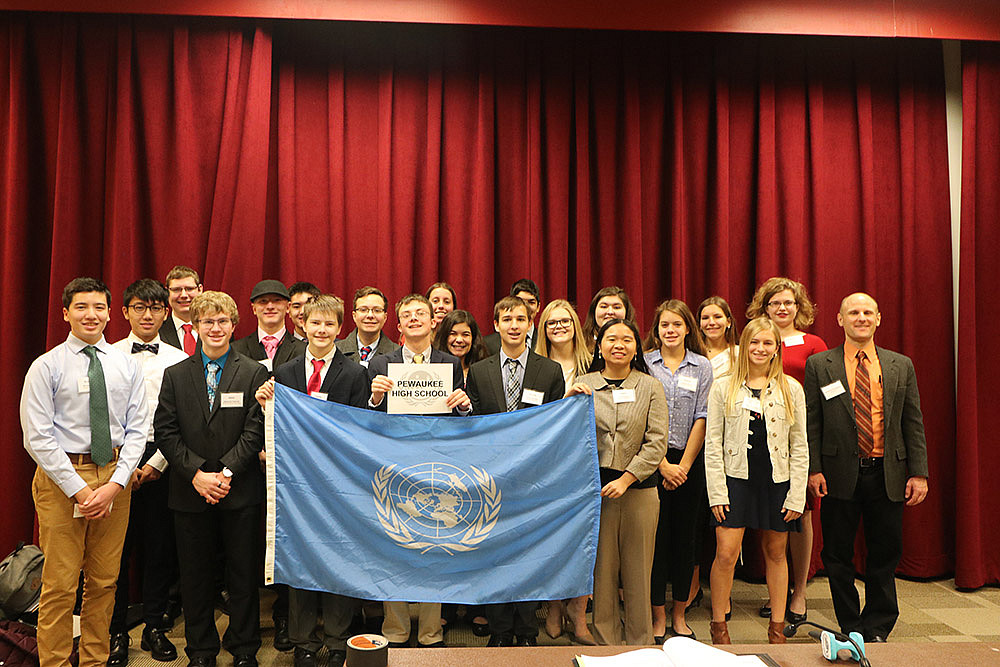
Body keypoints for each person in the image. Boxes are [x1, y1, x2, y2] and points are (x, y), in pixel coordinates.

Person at [20, 277, 147, 667]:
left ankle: (95, 660)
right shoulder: (47, 366)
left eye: (98, 307)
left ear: (110, 313)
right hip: (61, 480)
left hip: (114, 478)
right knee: (59, 586)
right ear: (65, 313)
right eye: (81, 307)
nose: (90, 315)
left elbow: (139, 430)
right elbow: (37, 437)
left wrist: (114, 485)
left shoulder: (127, 365)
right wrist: (79, 489)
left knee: (105, 582)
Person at [154, 291, 271, 667]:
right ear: (197, 327)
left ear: (234, 325)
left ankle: (244, 647)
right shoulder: (175, 375)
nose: (216, 328)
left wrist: (224, 473)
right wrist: (197, 475)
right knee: (195, 577)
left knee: (241, 575)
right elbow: (166, 432)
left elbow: (256, 431)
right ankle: (201, 649)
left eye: (223, 321)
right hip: (190, 492)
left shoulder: (254, 371)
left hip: (239, 490)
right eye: (208, 321)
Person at [804, 293, 929, 643]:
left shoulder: (899, 365)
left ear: (878, 319)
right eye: (853, 312)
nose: (861, 317)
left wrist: (918, 472)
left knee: (884, 554)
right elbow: (812, 421)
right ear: (840, 319)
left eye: (867, 312)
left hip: (888, 473)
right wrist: (814, 470)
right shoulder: (820, 365)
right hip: (838, 474)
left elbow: (912, 421)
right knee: (837, 555)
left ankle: (877, 625)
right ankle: (850, 624)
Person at [255, 295, 369, 667]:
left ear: (340, 328)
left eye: (329, 325)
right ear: (302, 326)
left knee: (339, 554)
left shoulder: (354, 374)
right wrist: (264, 402)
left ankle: (337, 640)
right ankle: (304, 639)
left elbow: (360, 430)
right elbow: (273, 424)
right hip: (298, 484)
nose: (321, 331)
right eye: (314, 324)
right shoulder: (285, 373)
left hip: (339, 483)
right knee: (301, 554)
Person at [367, 294, 470, 647]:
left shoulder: (449, 363)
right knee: (392, 547)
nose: (413, 319)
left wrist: (464, 406)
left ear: (432, 323)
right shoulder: (381, 364)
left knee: (434, 548)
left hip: (436, 467)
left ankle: (430, 631)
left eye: (420, 314)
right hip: (393, 467)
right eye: (406, 315)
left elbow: (460, 419)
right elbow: (367, 423)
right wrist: (375, 400)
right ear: (398, 326)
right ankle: (394, 630)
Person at [466, 296, 565, 647]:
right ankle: (500, 630)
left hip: (531, 479)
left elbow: (556, 427)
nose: (513, 325)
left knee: (528, 554)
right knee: (494, 555)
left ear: (529, 324)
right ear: (495, 325)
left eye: (520, 319)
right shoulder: (479, 371)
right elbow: (473, 424)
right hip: (491, 478)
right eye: (506, 319)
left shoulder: (549, 371)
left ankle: (526, 630)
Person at [704, 317, 808, 645]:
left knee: (776, 552)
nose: (760, 349)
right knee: (726, 552)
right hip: (735, 481)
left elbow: (800, 445)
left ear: (776, 348)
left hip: (777, 481)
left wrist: (796, 496)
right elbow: (713, 445)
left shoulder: (792, 389)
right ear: (743, 346)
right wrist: (717, 492)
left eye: (767, 343)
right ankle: (719, 626)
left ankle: (777, 628)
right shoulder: (723, 387)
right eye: (754, 343)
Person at [566, 319, 668, 646]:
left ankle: (640, 641)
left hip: (639, 489)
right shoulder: (584, 383)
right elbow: (567, 435)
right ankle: (606, 639)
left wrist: (626, 479)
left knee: (638, 571)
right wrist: (567, 401)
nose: (618, 345)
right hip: (595, 491)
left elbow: (656, 443)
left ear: (637, 347)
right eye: (611, 339)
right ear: (599, 345)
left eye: (626, 339)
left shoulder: (650, 386)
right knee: (603, 572)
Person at [108, 279, 188, 665]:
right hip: (113, 458)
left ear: (166, 312)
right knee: (114, 552)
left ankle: (155, 624)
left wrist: (155, 464)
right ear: (124, 312)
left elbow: (181, 420)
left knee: (159, 548)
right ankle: (115, 631)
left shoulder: (177, 359)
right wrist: (124, 467)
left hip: (162, 457)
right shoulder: (105, 355)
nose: (147, 315)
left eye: (156, 308)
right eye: (139, 307)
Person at [747, 277, 826, 623]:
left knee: (803, 513)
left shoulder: (813, 344)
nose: (782, 308)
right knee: (770, 517)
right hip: (760, 444)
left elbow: (825, 395)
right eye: (775, 302)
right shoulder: (756, 341)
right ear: (764, 308)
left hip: (801, 440)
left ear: (799, 307)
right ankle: (775, 590)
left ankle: (800, 592)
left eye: (788, 303)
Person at [643, 300, 713, 642]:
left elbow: (703, 416)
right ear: (656, 330)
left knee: (686, 542)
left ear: (688, 328)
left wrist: (683, 465)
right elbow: (639, 418)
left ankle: (680, 615)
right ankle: (657, 617)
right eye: (664, 325)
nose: (670, 330)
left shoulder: (701, 366)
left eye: (677, 324)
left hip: (689, 462)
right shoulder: (644, 364)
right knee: (656, 542)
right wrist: (662, 464)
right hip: (650, 462)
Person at [535, 298, 594, 644]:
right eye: (551, 322)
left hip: (587, 460)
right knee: (554, 537)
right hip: (548, 464)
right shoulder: (538, 367)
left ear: (575, 325)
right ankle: (555, 606)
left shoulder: (594, 362)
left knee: (584, 538)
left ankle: (579, 611)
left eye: (564, 321)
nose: (558, 327)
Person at [232, 280, 307, 375]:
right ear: (254, 309)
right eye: (263, 301)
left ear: (288, 307)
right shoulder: (236, 350)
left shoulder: (304, 350)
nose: (270, 306)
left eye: (277, 300)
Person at [337, 286, 400, 367]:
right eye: (363, 310)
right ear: (354, 316)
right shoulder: (336, 350)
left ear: (385, 317)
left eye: (377, 310)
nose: (370, 315)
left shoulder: (397, 353)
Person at [483, 279, 542, 354]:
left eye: (531, 302)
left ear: (538, 307)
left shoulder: (547, 340)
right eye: (521, 301)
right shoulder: (488, 343)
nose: (526, 307)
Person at [433, 309, 488, 381]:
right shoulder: (433, 368)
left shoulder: (484, 371)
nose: (459, 340)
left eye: (465, 335)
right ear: (444, 337)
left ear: (473, 338)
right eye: (453, 334)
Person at [161, 265, 204, 355]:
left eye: (189, 289)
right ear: (167, 292)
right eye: (176, 290)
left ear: (200, 290)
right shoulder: (157, 330)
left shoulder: (216, 328)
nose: (184, 295)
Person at [697, 296, 740, 379]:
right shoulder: (693, 354)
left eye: (717, 317)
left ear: (728, 322)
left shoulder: (739, 353)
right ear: (700, 324)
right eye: (705, 318)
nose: (711, 322)